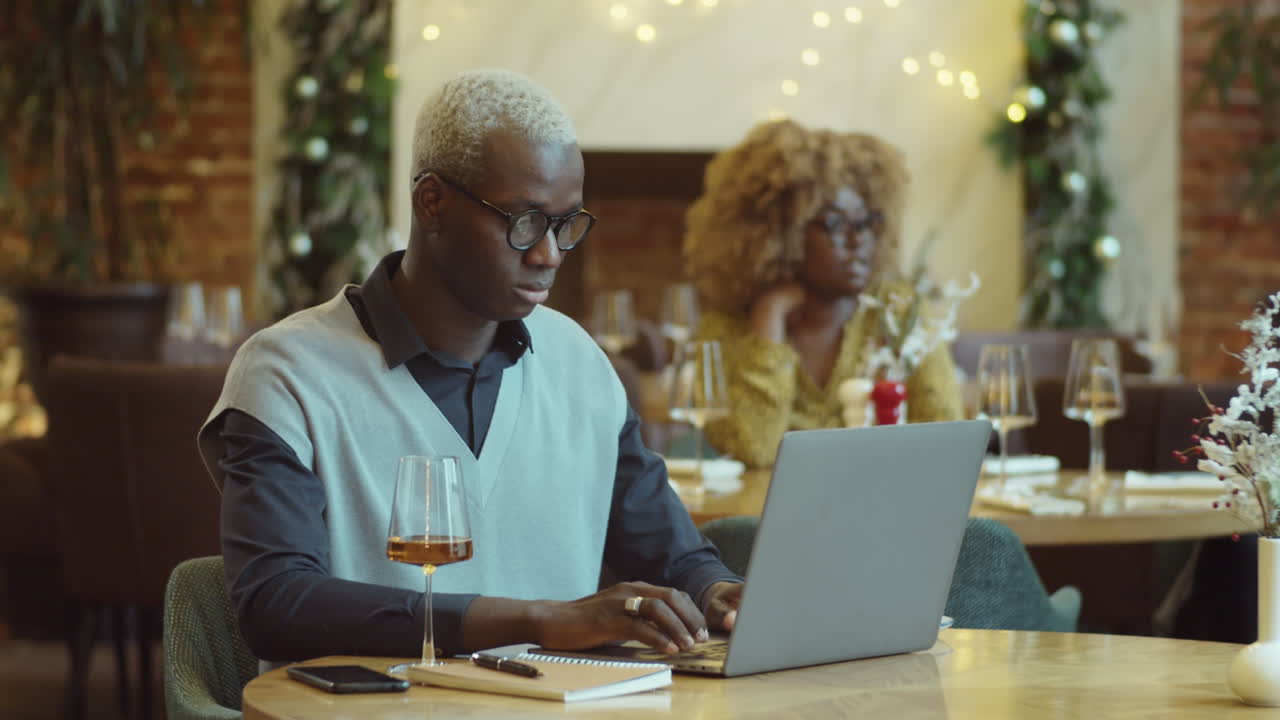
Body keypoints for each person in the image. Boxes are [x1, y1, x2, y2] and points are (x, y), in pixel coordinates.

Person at [198, 70, 743, 665]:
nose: (548, 254)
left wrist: (718, 594)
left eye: (566, 225)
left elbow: (672, 554)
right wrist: (541, 619)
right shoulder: (287, 374)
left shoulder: (578, 361)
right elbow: (277, 605)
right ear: (432, 203)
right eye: (524, 221)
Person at [684, 120, 963, 468]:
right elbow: (755, 449)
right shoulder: (727, 327)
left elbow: (949, 439)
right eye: (834, 224)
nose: (857, 240)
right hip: (768, 519)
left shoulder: (898, 314)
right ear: (779, 232)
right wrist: (769, 316)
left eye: (866, 222)